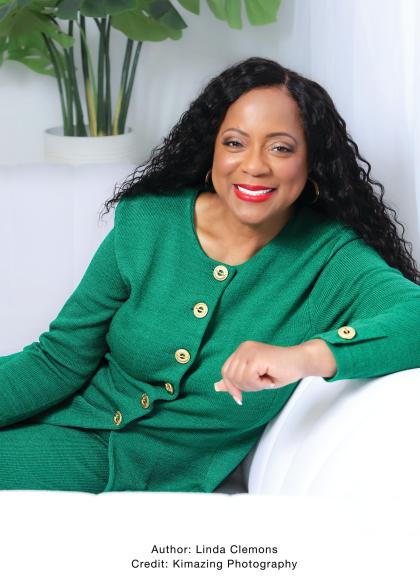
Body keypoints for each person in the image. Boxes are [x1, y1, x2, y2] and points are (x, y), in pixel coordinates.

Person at [1, 56, 420, 493]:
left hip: (126, 464)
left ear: (311, 161)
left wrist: (304, 357)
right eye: (235, 143)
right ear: (212, 149)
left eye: (280, 148)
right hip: (58, 414)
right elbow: (59, 359)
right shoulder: (149, 220)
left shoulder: (330, 259)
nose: (254, 166)